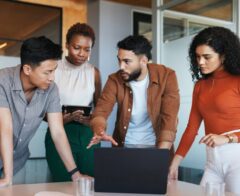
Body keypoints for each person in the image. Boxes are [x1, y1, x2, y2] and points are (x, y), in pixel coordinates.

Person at [0, 36, 81, 187]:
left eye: (54, 71)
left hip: (16, 162)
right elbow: (5, 129)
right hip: (7, 165)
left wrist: (75, 174)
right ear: (27, 69)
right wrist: (7, 177)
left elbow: (57, 132)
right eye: (47, 72)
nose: (52, 78)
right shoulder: (2, 81)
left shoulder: (51, 90)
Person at [168, 27, 240, 194]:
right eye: (198, 57)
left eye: (207, 57)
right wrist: (175, 162)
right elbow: (192, 128)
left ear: (224, 55)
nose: (200, 62)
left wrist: (228, 138)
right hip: (212, 161)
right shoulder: (200, 86)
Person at [87, 35, 180, 151]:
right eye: (119, 60)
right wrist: (99, 130)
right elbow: (100, 111)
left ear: (143, 61)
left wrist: (160, 156)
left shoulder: (166, 76)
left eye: (127, 61)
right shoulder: (115, 79)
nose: (121, 66)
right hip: (125, 146)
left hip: (158, 146)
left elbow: (170, 117)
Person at [45, 23, 101, 182]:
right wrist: (62, 119)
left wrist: (92, 120)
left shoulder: (93, 72)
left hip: (87, 134)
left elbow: (100, 107)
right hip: (59, 132)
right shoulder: (54, 69)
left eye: (87, 49)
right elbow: (39, 110)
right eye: (77, 47)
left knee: (91, 182)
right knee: (63, 183)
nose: (82, 53)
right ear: (67, 45)